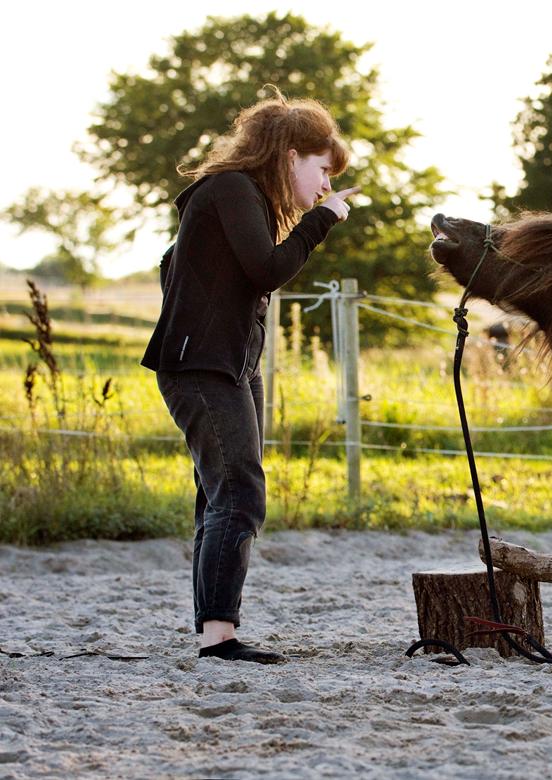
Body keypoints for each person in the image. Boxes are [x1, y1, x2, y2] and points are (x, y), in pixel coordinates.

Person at [142, 90, 360, 663]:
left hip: (229, 363)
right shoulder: (230, 189)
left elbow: (189, 267)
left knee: (221, 493)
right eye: (321, 171)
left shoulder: (242, 198)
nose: (324, 187)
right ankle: (218, 637)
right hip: (201, 365)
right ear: (290, 156)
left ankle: (213, 633)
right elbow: (267, 269)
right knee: (238, 490)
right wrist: (321, 222)